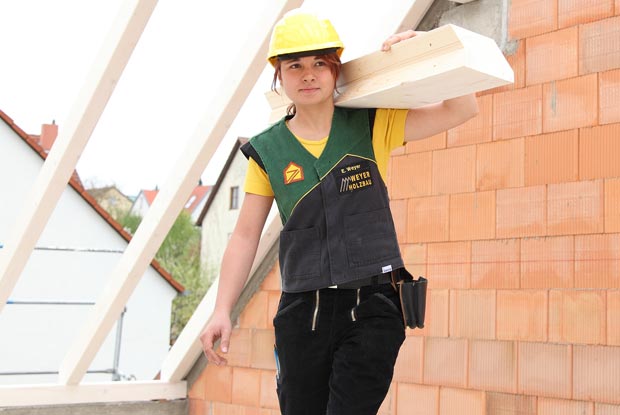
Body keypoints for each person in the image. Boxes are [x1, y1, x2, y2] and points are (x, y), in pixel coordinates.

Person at [200, 9, 478, 415]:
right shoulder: (267, 152)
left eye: (319, 63)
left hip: (373, 308)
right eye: (295, 65)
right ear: (279, 75)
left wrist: (426, 46)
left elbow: (461, 109)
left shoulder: (372, 125)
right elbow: (244, 236)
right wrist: (221, 310)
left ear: (335, 69)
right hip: (303, 314)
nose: (308, 75)